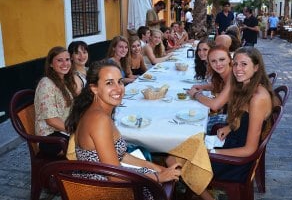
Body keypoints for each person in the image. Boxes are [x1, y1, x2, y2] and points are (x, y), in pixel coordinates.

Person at [65, 60, 181, 199]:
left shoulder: (99, 111)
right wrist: (158, 177)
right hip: (102, 189)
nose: (118, 88)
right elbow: (116, 178)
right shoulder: (99, 120)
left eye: (119, 81)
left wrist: (155, 167)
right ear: (94, 88)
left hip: (106, 178)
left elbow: (120, 155)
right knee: (161, 189)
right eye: (109, 83)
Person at [199, 47, 274, 200]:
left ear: (256, 67)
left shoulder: (258, 98)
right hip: (232, 143)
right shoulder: (247, 86)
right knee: (181, 156)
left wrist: (213, 153)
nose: (238, 69)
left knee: (184, 162)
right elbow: (245, 118)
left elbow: (249, 149)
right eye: (235, 64)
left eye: (244, 64)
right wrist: (229, 127)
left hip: (238, 163)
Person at [34, 46, 78, 157]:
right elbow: (52, 120)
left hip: (64, 130)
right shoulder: (46, 84)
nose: (65, 64)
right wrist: (76, 130)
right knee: (90, 144)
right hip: (50, 137)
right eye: (59, 60)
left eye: (67, 60)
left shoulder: (65, 81)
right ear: (51, 64)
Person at [187, 45, 232, 119]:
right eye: (213, 61)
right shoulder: (223, 74)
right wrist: (202, 86)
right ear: (209, 63)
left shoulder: (233, 76)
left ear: (229, 59)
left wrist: (195, 94)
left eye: (222, 59)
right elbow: (221, 86)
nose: (218, 64)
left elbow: (215, 105)